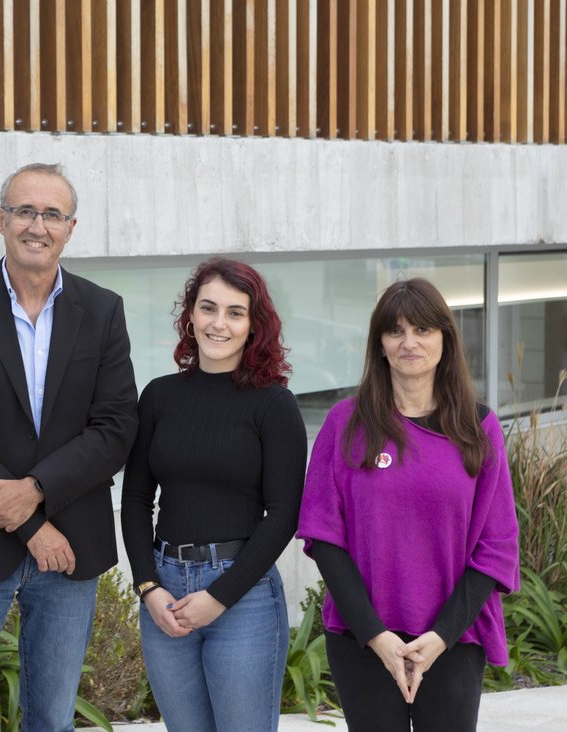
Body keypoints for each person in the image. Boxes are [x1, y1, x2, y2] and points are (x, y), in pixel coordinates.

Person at [0, 162, 138, 731]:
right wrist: (32, 525)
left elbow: (115, 427)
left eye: (52, 214)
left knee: (52, 721)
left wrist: (37, 489)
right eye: (24, 211)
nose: (38, 226)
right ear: (0, 219)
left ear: (71, 227)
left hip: (72, 544)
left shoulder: (103, 310)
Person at [297, 278, 520, 732]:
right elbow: (323, 535)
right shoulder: (345, 423)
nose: (409, 342)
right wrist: (376, 636)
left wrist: (440, 637)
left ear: (445, 338)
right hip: (363, 639)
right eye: (395, 331)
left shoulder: (477, 427)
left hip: (452, 639)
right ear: (379, 343)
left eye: (423, 329)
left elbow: (497, 546)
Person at [120, 257, 307, 731]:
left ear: (254, 326)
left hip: (243, 595)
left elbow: (284, 513)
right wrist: (148, 587)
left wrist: (219, 597)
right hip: (165, 592)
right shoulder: (159, 396)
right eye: (208, 308)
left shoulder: (274, 405)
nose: (218, 323)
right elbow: (136, 498)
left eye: (235, 312)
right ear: (190, 315)